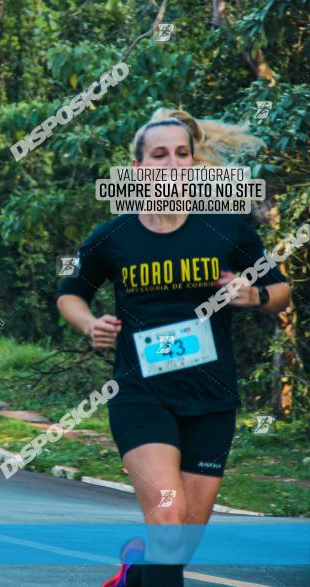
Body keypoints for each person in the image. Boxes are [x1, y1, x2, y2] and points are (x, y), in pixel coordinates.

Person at [56, 109, 291, 587]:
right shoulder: (113, 236)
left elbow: (281, 290)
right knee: (167, 518)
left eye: (181, 153)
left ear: (193, 162)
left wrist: (254, 295)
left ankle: (134, 576)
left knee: (176, 545)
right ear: (139, 168)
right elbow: (69, 292)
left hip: (210, 398)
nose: (172, 163)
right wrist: (90, 323)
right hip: (140, 396)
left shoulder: (227, 229)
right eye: (159, 154)